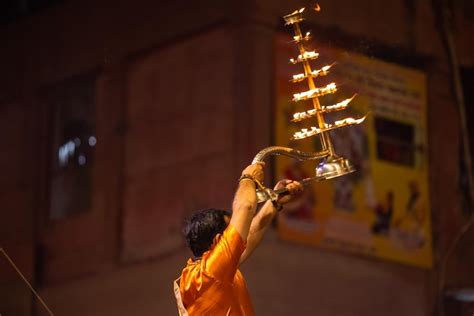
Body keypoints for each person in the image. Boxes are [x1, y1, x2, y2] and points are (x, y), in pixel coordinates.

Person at [174, 162, 303, 315]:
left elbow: (250, 235)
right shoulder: (212, 273)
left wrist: (274, 202)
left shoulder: (213, 269)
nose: (238, 232)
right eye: (231, 230)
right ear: (217, 239)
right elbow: (245, 206)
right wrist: (248, 177)